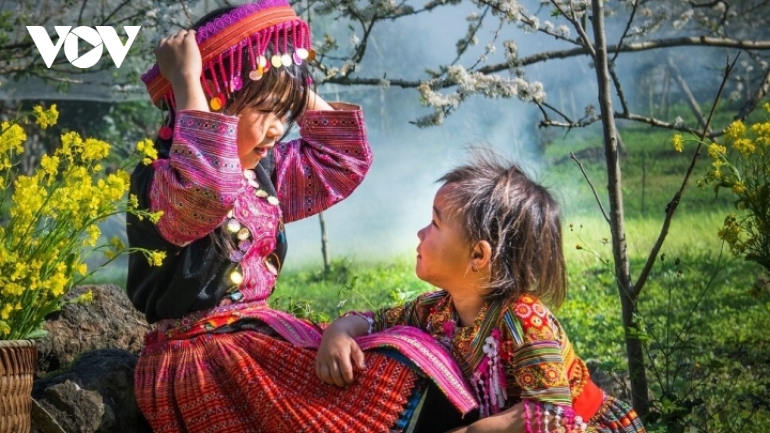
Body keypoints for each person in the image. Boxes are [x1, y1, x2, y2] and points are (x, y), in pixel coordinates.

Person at [126, 2, 480, 432]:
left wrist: (282, 62)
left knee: (409, 353)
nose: (278, 129)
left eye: (284, 114)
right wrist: (189, 81)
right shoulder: (165, 178)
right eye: (264, 112)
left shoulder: (263, 170)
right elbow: (207, 192)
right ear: (214, 99)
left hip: (254, 345)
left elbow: (341, 160)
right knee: (380, 383)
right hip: (207, 363)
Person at [316, 149, 647, 433]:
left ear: (478, 255)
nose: (420, 233)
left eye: (435, 223)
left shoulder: (523, 318)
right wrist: (339, 333)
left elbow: (550, 414)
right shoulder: (437, 310)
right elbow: (370, 321)